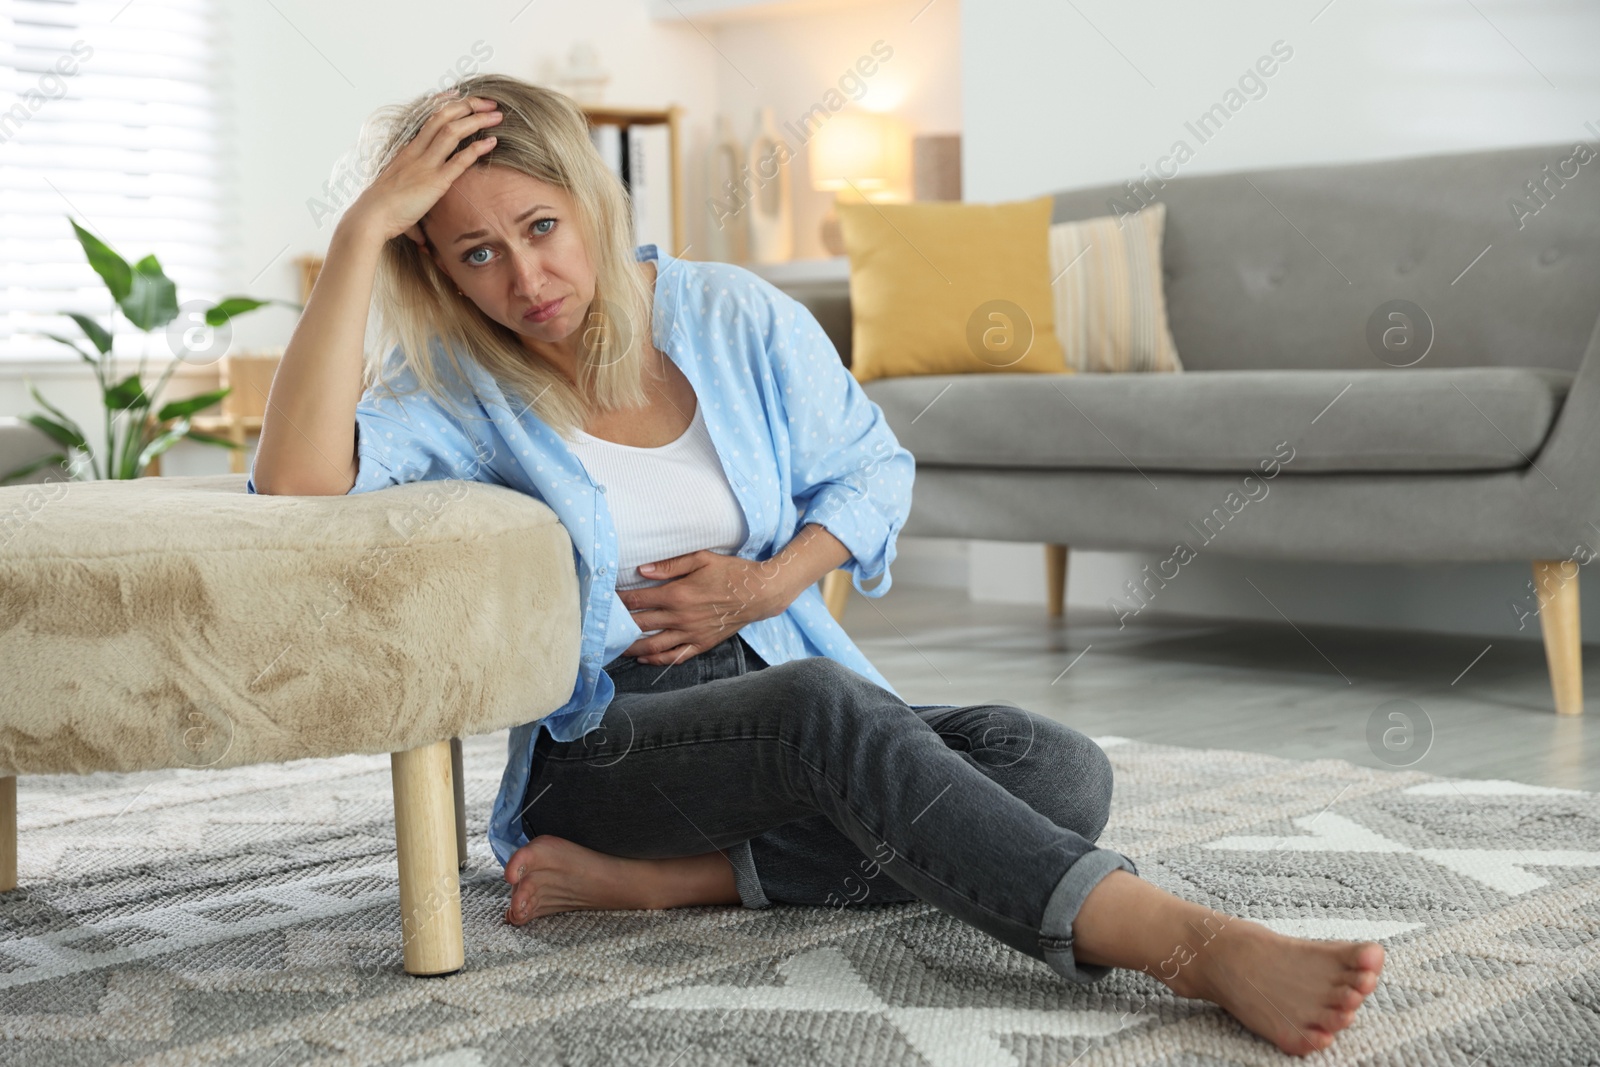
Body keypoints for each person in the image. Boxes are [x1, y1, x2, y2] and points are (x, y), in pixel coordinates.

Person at [249, 73, 1384, 1057]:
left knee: (1054, 767)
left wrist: (770, 581)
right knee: (822, 710)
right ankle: (1185, 941)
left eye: (540, 226)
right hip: (605, 746)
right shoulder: (452, 383)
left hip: (787, 674)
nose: (524, 277)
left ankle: (683, 882)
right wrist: (360, 234)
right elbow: (295, 481)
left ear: (591, 202)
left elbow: (871, 471)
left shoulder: (729, 314)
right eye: (476, 254)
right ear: (440, 273)